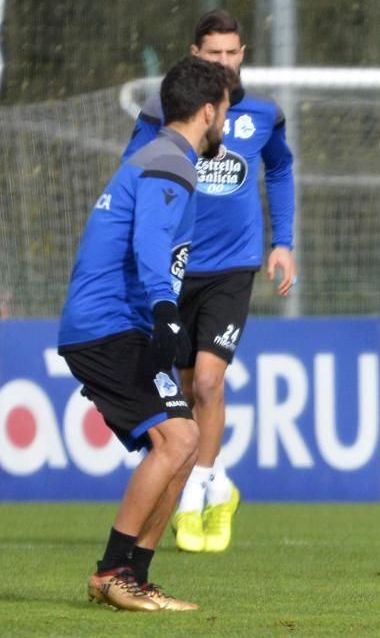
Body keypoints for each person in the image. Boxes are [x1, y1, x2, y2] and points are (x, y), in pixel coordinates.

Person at [58, 55, 236, 611]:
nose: (226, 122)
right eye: (226, 110)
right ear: (209, 111)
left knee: (184, 444)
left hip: (117, 324)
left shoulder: (157, 155)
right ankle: (112, 572)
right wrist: (165, 309)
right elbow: (150, 242)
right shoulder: (170, 162)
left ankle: (133, 575)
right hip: (107, 326)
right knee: (179, 440)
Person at [122, 9, 297, 553]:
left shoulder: (264, 114)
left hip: (233, 267)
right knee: (180, 384)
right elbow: (134, 171)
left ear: (243, 55)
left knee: (208, 384)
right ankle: (217, 484)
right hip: (176, 268)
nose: (224, 62)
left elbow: (281, 170)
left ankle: (196, 495)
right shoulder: (163, 114)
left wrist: (282, 242)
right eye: (213, 53)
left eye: (232, 53)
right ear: (195, 53)